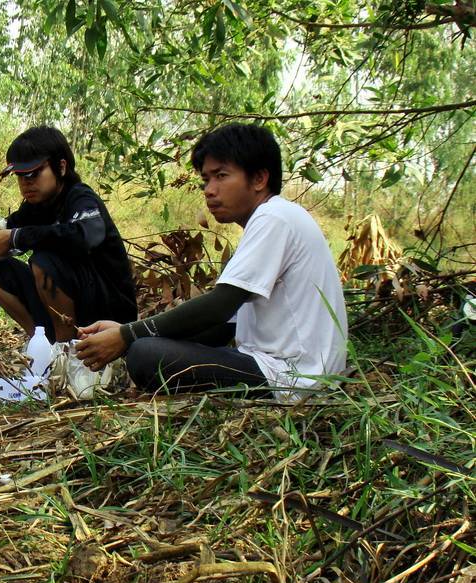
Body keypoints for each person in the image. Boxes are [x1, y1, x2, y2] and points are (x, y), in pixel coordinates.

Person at [75, 123, 348, 400]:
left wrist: (128, 336)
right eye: (206, 180)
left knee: (145, 355)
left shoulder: (274, 218)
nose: (209, 190)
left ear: (259, 179)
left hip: (294, 377)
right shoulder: (272, 220)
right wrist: (131, 333)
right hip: (284, 368)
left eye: (221, 176)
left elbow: (219, 306)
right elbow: (222, 326)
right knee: (147, 346)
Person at [0, 126, 137, 343]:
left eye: (33, 174)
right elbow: (12, 231)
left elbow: (88, 236)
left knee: (44, 262)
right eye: (20, 176)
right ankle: (43, 344)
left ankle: (67, 351)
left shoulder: (80, 198)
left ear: (61, 167)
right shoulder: (36, 206)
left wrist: (16, 237)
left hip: (109, 312)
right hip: (68, 306)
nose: (26, 183)